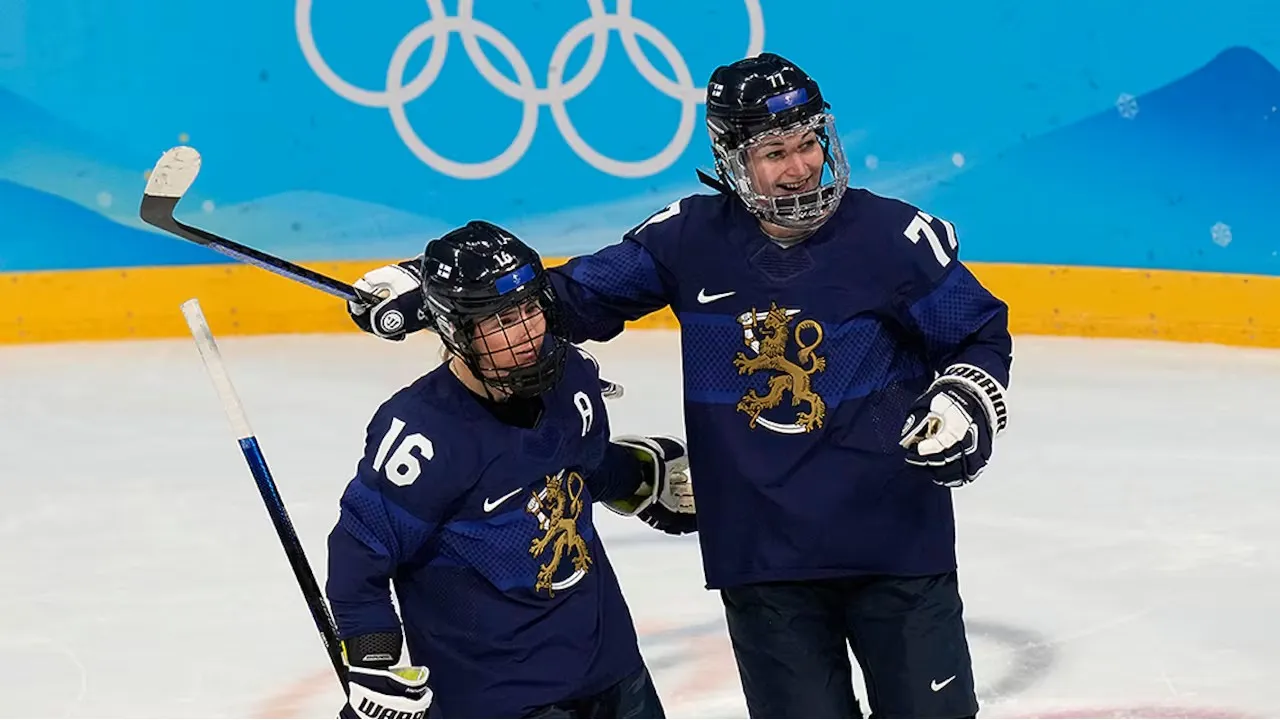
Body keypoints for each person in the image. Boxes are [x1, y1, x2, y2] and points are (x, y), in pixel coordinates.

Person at [346, 52, 1012, 719]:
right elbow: (564, 300)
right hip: (764, 559)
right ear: (731, 159)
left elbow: (978, 331)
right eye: (775, 151)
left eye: (809, 142)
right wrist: (432, 283)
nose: (801, 165)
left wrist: (964, 398)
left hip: (896, 545)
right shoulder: (688, 238)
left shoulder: (893, 236)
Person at [326, 220, 696, 718]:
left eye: (529, 309)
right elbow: (360, 553)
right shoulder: (423, 433)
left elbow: (581, 465)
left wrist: (639, 480)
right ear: (455, 330)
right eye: (500, 322)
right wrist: (374, 662)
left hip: (610, 668)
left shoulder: (572, 378)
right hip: (498, 695)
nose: (525, 333)